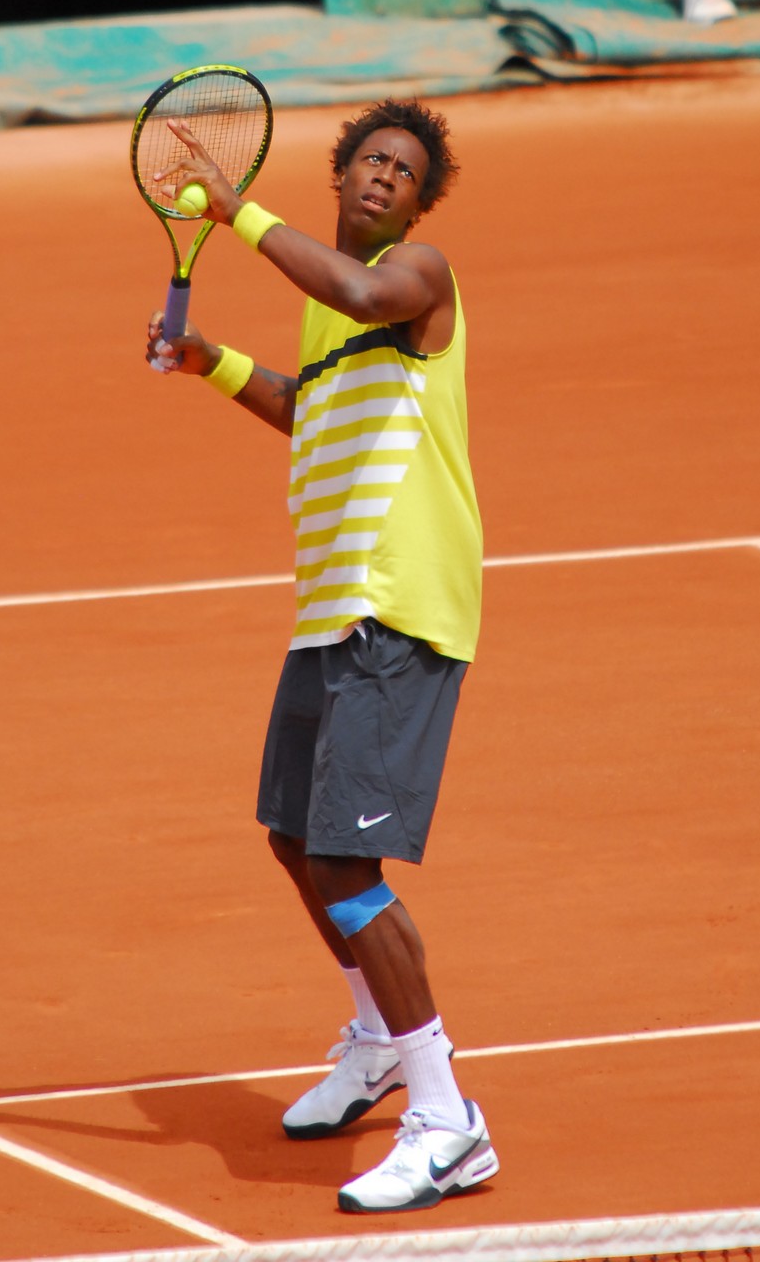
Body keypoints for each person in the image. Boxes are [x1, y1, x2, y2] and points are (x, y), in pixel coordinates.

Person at [144, 99, 498, 1216]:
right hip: (331, 606)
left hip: (399, 609)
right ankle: (378, 1041)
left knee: (350, 866)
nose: (387, 177)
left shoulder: (417, 276)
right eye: (371, 161)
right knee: (297, 840)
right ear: (340, 173)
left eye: (406, 169)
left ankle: (450, 1120)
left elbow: (355, 290)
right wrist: (210, 360)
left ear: (419, 200)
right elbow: (313, 404)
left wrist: (237, 208)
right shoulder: (327, 319)